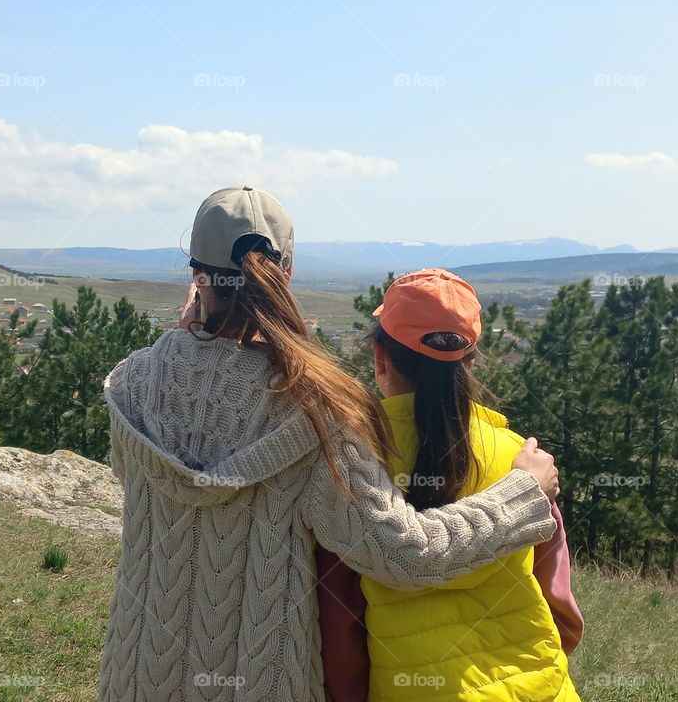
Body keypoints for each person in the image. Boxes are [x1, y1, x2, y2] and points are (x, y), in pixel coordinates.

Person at [99, 187, 560, 702]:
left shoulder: (133, 383)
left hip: (136, 674)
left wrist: (189, 341)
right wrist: (525, 492)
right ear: (286, 275)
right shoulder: (317, 412)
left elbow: (154, 461)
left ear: (196, 275)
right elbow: (406, 556)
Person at [318, 268, 583, 702]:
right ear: (471, 361)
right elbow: (557, 596)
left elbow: (340, 616)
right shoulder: (523, 460)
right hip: (541, 686)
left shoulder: (353, 465)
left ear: (381, 359)